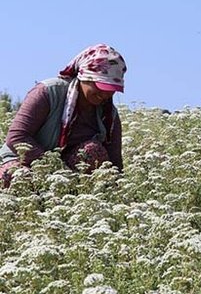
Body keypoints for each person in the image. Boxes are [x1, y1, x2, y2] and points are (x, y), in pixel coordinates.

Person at [0, 44, 127, 187]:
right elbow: (17, 137)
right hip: (24, 161)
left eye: (111, 89)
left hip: (68, 173)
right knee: (15, 177)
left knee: (93, 150)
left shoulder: (109, 115)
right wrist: (53, 168)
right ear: (84, 77)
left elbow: (115, 164)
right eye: (101, 86)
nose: (105, 94)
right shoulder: (48, 92)